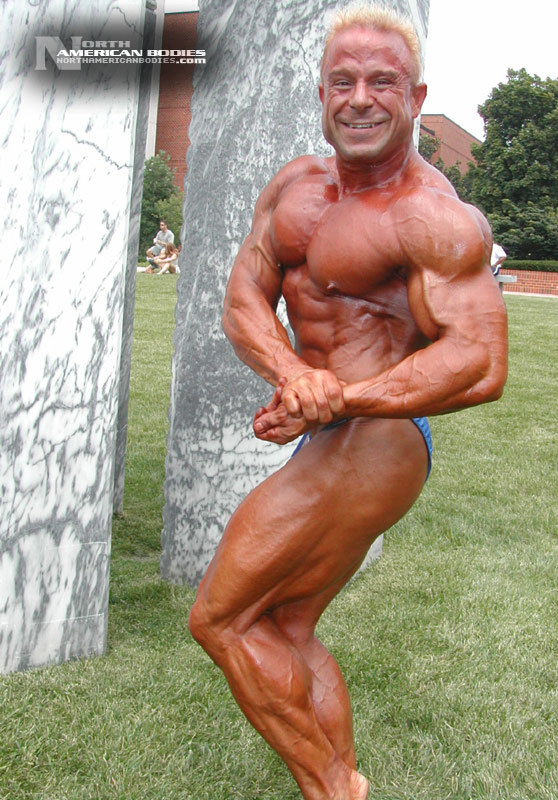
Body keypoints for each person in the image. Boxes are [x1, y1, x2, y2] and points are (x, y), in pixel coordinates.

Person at [187, 6, 508, 800]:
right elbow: (243, 298)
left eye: (382, 82)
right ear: (322, 93)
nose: (360, 98)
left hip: (381, 436)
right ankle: (347, 784)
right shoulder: (295, 186)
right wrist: (294, 375)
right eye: (343, 81)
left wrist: (341, 399)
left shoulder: (430, 214)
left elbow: (480, 361)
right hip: (330, 430)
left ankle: (333, 788)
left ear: (416, 97)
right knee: (285, 624)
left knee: (221, 616)